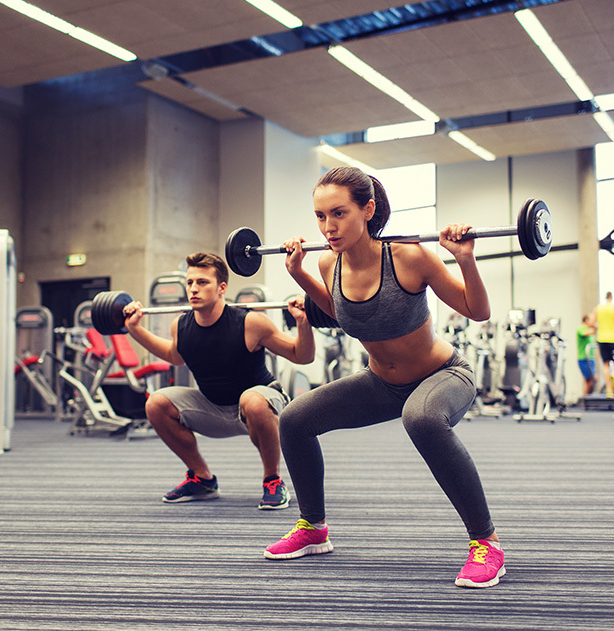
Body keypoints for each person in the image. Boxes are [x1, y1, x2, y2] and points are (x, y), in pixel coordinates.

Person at [265, 166, 505, 589]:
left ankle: (487, 543)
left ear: (368, 209)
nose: (328, 226)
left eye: (339, 214)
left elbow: (477, 310)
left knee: (422, 419)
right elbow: (344, 315)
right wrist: (299, 274)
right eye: (320, 216)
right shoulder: (328, 263)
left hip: (442, 375)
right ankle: (313, 527)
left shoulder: (410, 257)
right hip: (381, 383)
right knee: (294, 419)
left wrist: (464, 258)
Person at [122, 252, 315, 510]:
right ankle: (202, 479)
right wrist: (135, 329)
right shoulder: (181, 325)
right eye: (190, 283)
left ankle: (273, 480)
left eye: (202, 282)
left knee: (253, 400)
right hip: (213, 407)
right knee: (156, 403)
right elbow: (174, 356)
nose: (193, 289)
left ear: (222, 288)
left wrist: (303, 323)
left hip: (260, 405)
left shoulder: (251, 322)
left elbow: (302, 356)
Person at [590, 291, 614, 398]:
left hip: (602, 338)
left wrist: (599, 327)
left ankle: (609, 390)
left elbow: (591, 323)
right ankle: (613, 375)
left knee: (605, 364)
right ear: (611, 298)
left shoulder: (598, 309)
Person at [576, 314, 597, 396]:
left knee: (589, 380)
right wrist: (595, 327)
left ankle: (587, 399)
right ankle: (586, 398)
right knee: (591, 379)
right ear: (587, 320)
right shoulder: (581, 328)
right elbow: (587, 333)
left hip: (590, 358)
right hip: (583, 358)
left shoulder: (589, 329)